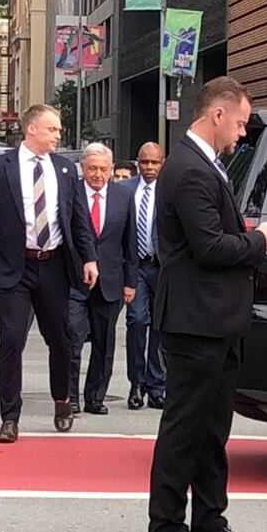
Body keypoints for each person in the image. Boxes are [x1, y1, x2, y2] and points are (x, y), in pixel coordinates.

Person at [146, 77, 267, 532]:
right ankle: (166, 529)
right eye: (242, 122)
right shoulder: (188, 169)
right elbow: (208, 247)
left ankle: (209, 523)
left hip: (217, 320)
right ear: (217, 115)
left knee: (212, 430)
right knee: (185, 428)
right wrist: (260, 241)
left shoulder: (207, 166)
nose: (243, 132)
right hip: (194, 321)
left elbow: (212, 236)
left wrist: (250, 236)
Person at [0, 104, 98, 444]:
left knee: (61, 337)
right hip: (14, 265)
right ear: (32, 130)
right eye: (53, 129)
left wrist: (89, 258)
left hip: (54, 264)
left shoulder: (65, 169)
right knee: (11, 340)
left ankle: (62, 399)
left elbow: (78, 219)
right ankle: (10, 417)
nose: (58, 135)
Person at [68, 143, 137, 415]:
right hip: (74, 280)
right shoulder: (71, 193)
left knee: (104, 343)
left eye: (103, 169)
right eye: (92, 168)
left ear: (110, 171)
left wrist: (130, 281)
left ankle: (95, 397)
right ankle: (69, 397)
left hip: (110, 280)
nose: (97, 174)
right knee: (72, 338)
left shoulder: (123, 196)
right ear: (83, 168)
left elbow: (130, 241)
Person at [122, 142, 166, 410]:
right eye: (144, 163)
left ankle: (157, 386)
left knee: (160, 325)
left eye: (155, 163)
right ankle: (136, 384)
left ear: (162, 162)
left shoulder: (170, 190)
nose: (149, 168)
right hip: (134, 266)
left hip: (162, 266)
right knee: (137, 321)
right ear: (137, 162)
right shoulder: (125, 189)